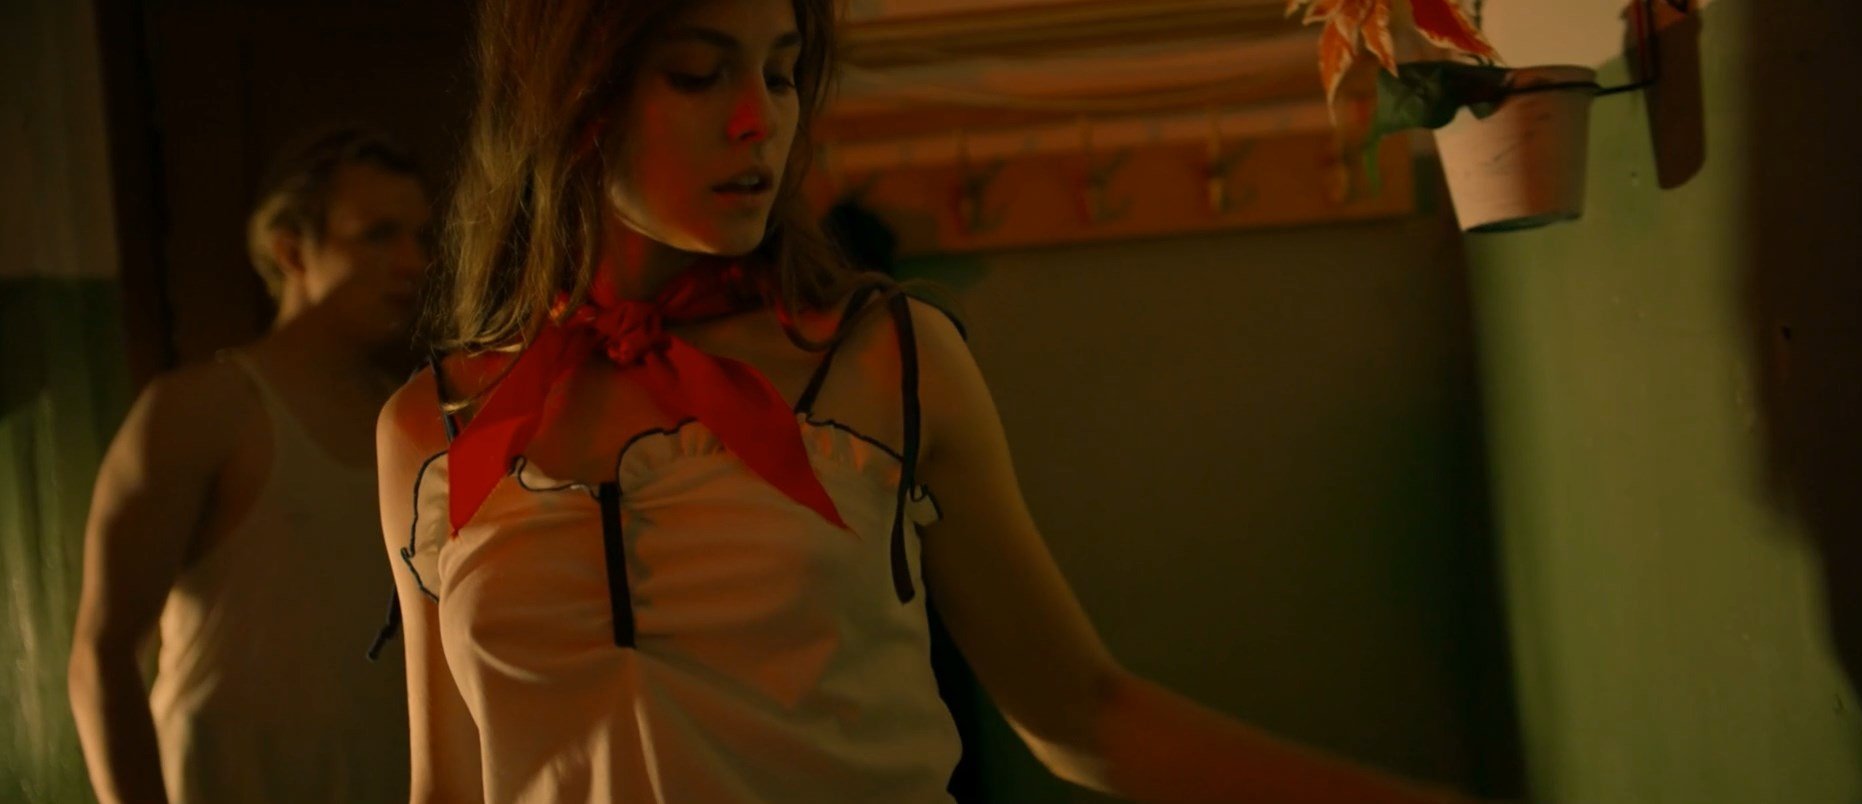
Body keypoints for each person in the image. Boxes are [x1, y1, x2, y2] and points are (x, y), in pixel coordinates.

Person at [377, 0, 1483, 801]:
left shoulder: (884, 362)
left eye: (782, 73)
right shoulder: (433, 429)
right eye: (701, 75)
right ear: (576, 101)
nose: (760, 121)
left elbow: (1084, 713)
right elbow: (450, 786)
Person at [69, 127, 429, 803]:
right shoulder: (202, 409)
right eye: (378, 235)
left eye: (420, 236)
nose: (413, 261)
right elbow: (102, 655)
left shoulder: (411, 420)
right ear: (292, 251)